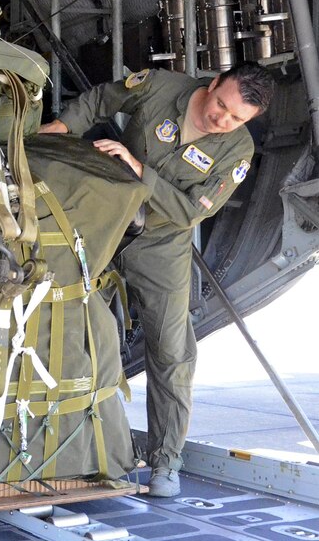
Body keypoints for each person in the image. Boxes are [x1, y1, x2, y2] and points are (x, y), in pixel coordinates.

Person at [38, 62, 274, 497]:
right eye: (221, 104)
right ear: (214, 83)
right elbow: (102, 98)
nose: (221, 119)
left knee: (171, 349)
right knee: (60, 320)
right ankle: (57, 446)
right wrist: (61, 126)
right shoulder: (161, 87)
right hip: (102, 220)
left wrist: (138, 167)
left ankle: (166, 462)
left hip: (162, 243)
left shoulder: (236, 151)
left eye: (236, 117)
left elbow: (190, 211)